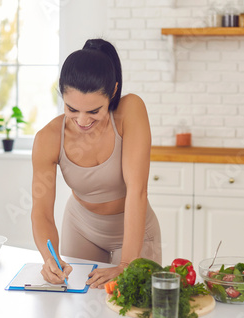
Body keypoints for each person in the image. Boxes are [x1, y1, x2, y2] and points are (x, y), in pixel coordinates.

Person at [31, 38, 161, 289]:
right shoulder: (47, 139)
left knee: (135, 312)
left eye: (94, 111)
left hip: (136, 229)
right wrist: (50, 259)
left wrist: (126, 264)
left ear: (113, 91)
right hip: (81, 229)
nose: (81, 120)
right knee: (83, 313)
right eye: (72, 109)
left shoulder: (130, 110)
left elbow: (138, 190)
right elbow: (42, 211)